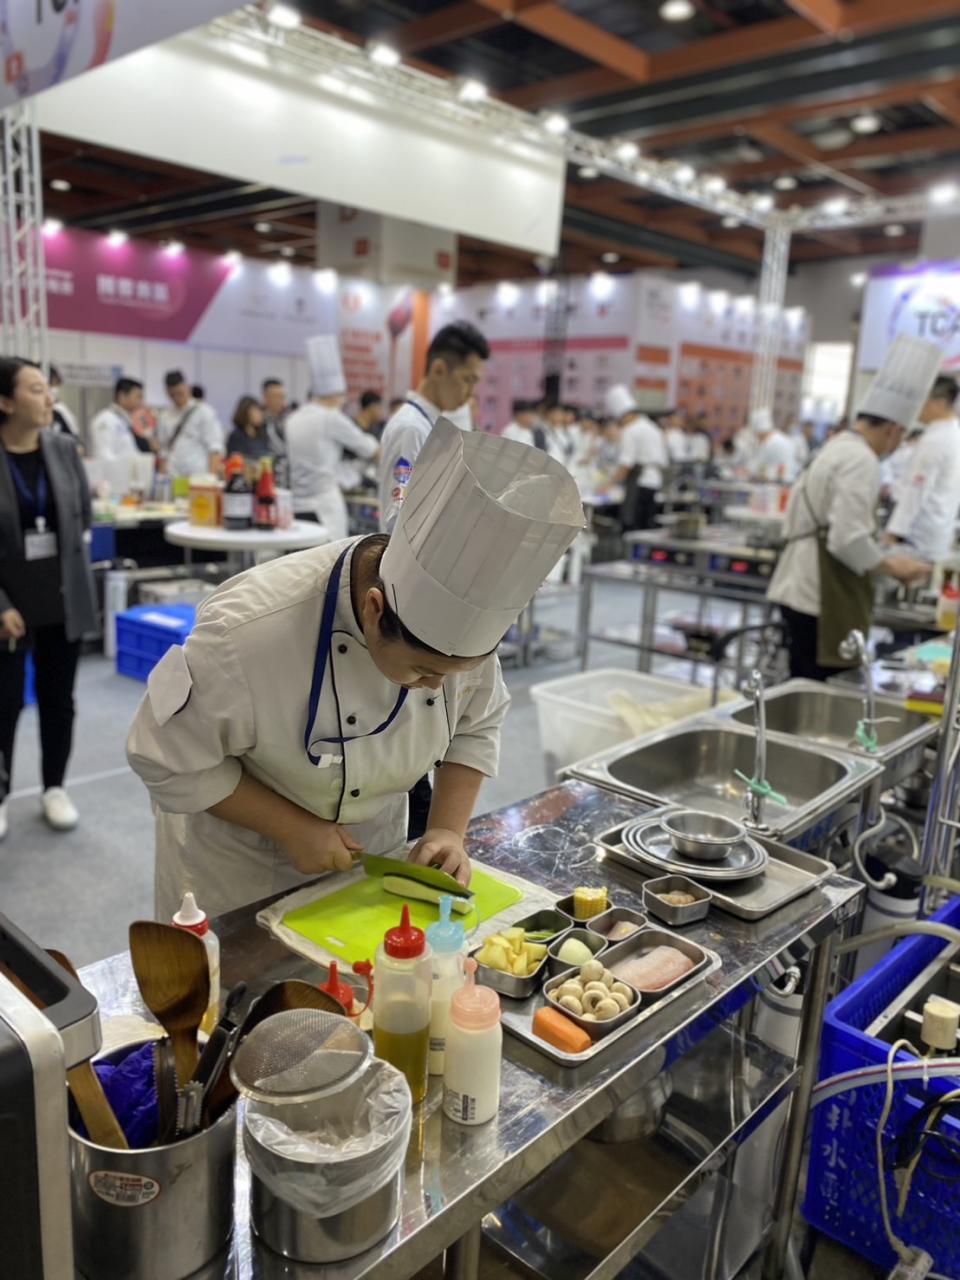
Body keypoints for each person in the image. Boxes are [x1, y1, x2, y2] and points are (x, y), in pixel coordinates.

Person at [127, 418, 584, 918]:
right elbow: (166, 756)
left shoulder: (459, 643)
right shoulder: (247, 633)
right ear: (374, 611)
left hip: (371, 849)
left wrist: (448, 831)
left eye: (455, 672)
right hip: (240, 864)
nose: (437, 686)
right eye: (423, 670)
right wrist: (290, 828)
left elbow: (476, 724)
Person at [768, 335, 938, 681]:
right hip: (820, 597)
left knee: (801, 683)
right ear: (893, 430)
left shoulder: (837, 447)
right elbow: (846, 540)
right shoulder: (862, 460)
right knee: (819, 691)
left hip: (799, 587)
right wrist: (894, 566)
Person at [0, 358, 97, 837]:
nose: (48, 398)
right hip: (8, 606)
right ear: (5, 402)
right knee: (5, 701)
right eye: (36, 389)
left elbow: (82, 514)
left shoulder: (61, 448)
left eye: (47, 389)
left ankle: (54, 787)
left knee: (60, 699)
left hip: (61, 597)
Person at [378, 321, 489, 533]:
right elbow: (396, 517)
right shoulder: (412, 428)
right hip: (404, 562)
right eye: (468, 379)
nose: (470, 393)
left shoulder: (430, 424)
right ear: (439, 370)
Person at [286, 337, 379, 540]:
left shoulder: (293, 419)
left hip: (297, 507)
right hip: (325, 509)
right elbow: (371, 451)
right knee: (330, 566)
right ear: (337, 395)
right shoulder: (331, 417)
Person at [886, 374, 960, 563]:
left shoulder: (935, 440)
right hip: (939, 530)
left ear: (937, 403)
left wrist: (893, 532)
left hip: (916, 536)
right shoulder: (953, 433)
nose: (916, 407)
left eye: (921, 400)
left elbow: (916, 491)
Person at [607, 384, 668, 531]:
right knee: (646, 528)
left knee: (633, 527)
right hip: (654, 483)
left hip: (639, 483)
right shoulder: (653, 427)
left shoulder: (630, 430)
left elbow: (626, 463)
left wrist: (609, 485)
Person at [156, 371, 224, 479]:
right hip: (172, 476)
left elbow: (214, 448)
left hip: (198, 477)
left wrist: (211, 478)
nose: (177, 397)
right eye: (172, 395)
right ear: (167, 393)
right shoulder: (164, 416)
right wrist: (162, 476)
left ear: (188, 388)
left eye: (180, 393)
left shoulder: (204, 411)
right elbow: (164, 450)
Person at [90, 377, 148, 461]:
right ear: (122, 396)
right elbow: (104, 455)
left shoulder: (124, 421)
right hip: (114, 473)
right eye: (138, 397)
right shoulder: (105, 420)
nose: (142, 402)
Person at [746, 408, 797, 482]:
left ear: (760, 432)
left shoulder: (769, 443)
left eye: (756, 434)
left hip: (778, 482)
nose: (757, 437)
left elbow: (758, 465)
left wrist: (747, 470)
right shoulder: (781, 437)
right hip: (789, 480)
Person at [225, 396, 272, 461]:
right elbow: (235, 459)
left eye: (261, 411)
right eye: (256, 411)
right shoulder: (236, 436)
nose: (261, 415)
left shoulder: (263, 434)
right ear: (246, 413)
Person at [261, 378, 289, 483]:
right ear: (265, 398)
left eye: (282, 397)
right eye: (276, 397)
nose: (281, 401)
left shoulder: (288, 421)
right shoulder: (258, 422)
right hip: (266, 478)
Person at [47, 367, 80, 443]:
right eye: (52, 383)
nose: (54, 389)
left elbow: (74, 437)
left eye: (56, 384)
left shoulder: (60, 410)